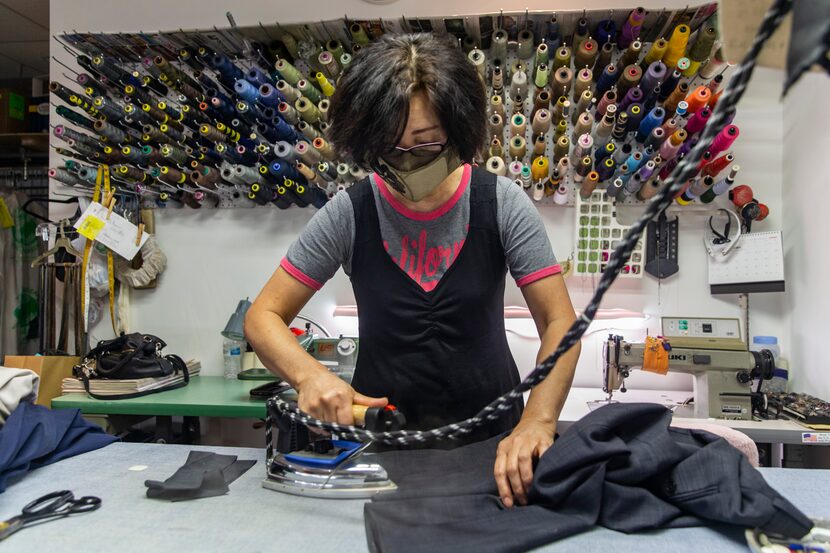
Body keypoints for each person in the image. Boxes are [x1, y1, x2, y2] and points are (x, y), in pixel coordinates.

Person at [245, 33, 581, 508]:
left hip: (495, 447)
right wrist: (309, 377)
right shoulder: (349, 213)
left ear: (458, 130)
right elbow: (262, 317)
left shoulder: (502, 204)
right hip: (385, 451)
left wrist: (539, 421)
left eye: (425, 145)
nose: (406, 164)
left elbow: (559, 322)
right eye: (389, 148)